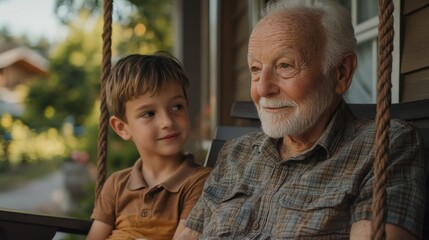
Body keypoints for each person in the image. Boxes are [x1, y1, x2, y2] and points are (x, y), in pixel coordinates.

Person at [178, 0, 426, 239]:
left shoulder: (383, 146)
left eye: (285, 66)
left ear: (341, 73)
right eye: (255, 69)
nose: (262, 89)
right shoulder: (236, 153)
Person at [87, 52, 211, 240]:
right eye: (149, 114)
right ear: (122, 128)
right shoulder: (116, 184)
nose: (167, 122)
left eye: (176, 107)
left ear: (187, 106)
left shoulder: (199, 182)